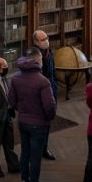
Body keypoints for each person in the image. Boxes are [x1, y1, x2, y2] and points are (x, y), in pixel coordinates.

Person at [8, 46, 56, 182]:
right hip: (39, 124)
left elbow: (12, 100)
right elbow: (49, 106)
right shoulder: (43, 81)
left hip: (23, 121)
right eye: (41, 59)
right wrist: (48, 118)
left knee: (25, 154)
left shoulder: (16, 77)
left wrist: (21, 110)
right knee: (35, 157)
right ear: (37, 60)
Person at [33, 29, 58, 160]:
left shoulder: (49, 52)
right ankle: (36, 150)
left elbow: (52, 72)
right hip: (39, 94)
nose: (46, 41)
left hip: (51, 91)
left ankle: (44, 148)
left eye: (47, 38)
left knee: (47, 123)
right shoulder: (33, 55)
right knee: (38, 125)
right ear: (36, 42)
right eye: (43, 40)